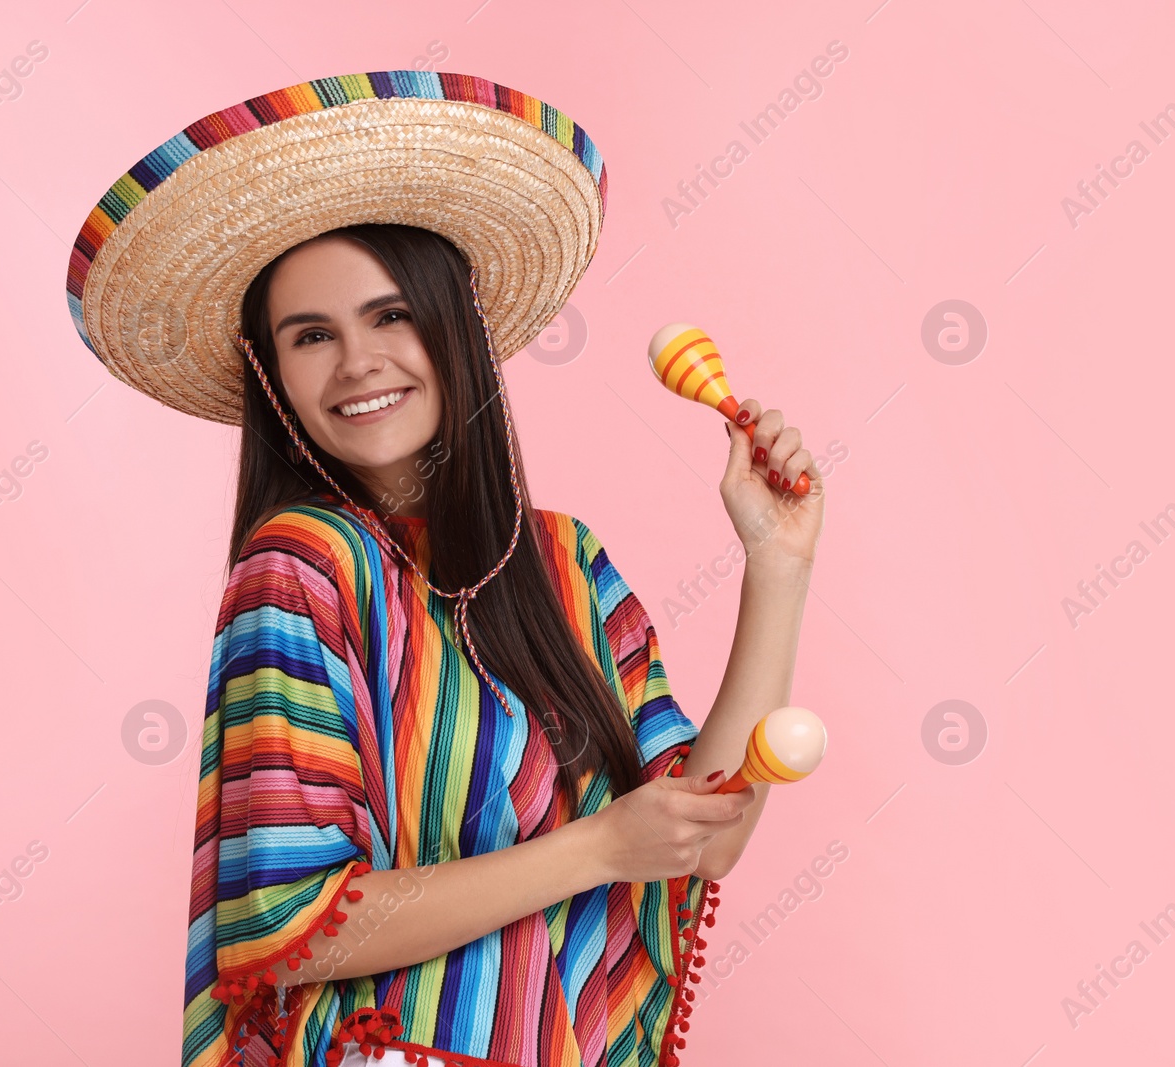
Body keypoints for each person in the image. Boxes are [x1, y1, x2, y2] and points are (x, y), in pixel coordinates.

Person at [64, 71, 823, 1067]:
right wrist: (598, 847)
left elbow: (702, 838)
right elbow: (292, 926)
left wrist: (776, 561)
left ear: (452, 325)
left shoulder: (564, 561)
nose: (356, 362)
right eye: (310, 336)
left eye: (390, 316)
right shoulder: (303, 568)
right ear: (273, 377)